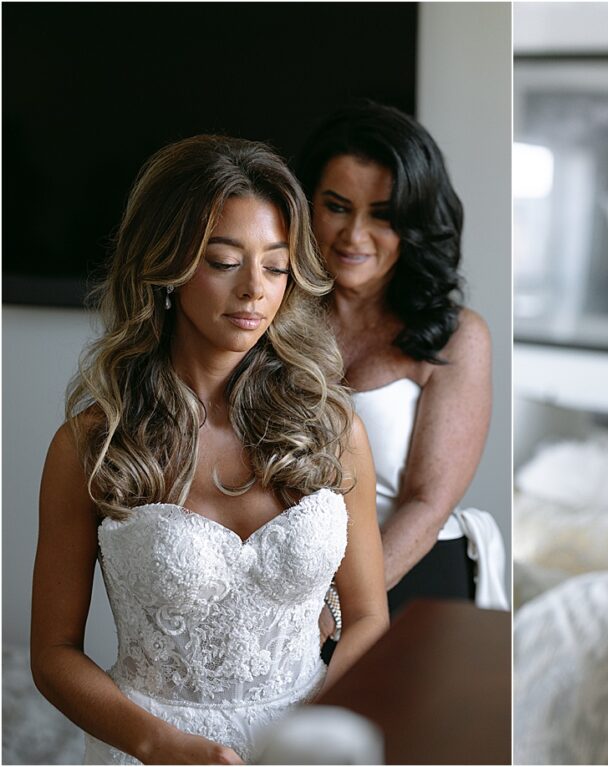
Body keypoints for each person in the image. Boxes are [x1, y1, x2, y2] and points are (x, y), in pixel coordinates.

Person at [30, 135, 388, 764]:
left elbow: (366, 618)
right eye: (224, 262)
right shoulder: (94, 443)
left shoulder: (332, 428)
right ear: (164, 269)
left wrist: (313, 735)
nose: (255, 289)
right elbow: (54, 655)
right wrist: (159, 744)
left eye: (275, 266)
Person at [295, 99, 499, 628]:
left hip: (408, 577)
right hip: (287, 584)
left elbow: (427, 502)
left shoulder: (457, 337)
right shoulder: (270, 316)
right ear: (306, 205)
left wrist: (330, 614)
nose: (353, 236)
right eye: (336, 206)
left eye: (383, 216)